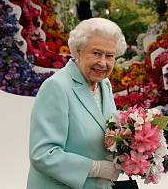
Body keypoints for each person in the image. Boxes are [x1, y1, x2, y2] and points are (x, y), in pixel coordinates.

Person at [27, 18, 126, 188]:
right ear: (78, 52)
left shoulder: (104, 84)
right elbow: (43, 154)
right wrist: (96, 168)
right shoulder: (56, 87)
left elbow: (107, 130)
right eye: (96, 53)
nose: (103, 62)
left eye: (110, 56)